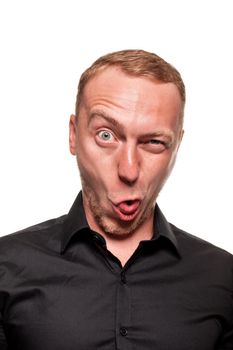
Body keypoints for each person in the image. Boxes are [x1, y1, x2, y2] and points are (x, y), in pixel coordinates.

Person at [0, 49, 232, 350]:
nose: (129, 170)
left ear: (176, 148)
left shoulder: (223, 277)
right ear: (73, 135)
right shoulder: (5, 266)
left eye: (153, 142)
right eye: (106, 135)